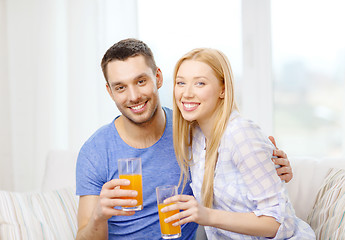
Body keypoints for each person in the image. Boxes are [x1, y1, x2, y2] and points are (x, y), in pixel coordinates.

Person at [75, 39, 293, 239]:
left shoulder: (191, 129)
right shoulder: (95, 151)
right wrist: (98, 216)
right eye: (120, 87)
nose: (133, 96)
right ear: (110, 92)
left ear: (158, 78)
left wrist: (273, 164)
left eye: (141, 81)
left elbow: (239, 158)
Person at [162, 48, 316, 239]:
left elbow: (279, 223)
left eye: (200, 83)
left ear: (223, 89)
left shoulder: (240, 134)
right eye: (180, 83)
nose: (186, 93)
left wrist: (207, 215)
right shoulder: (195, 136)